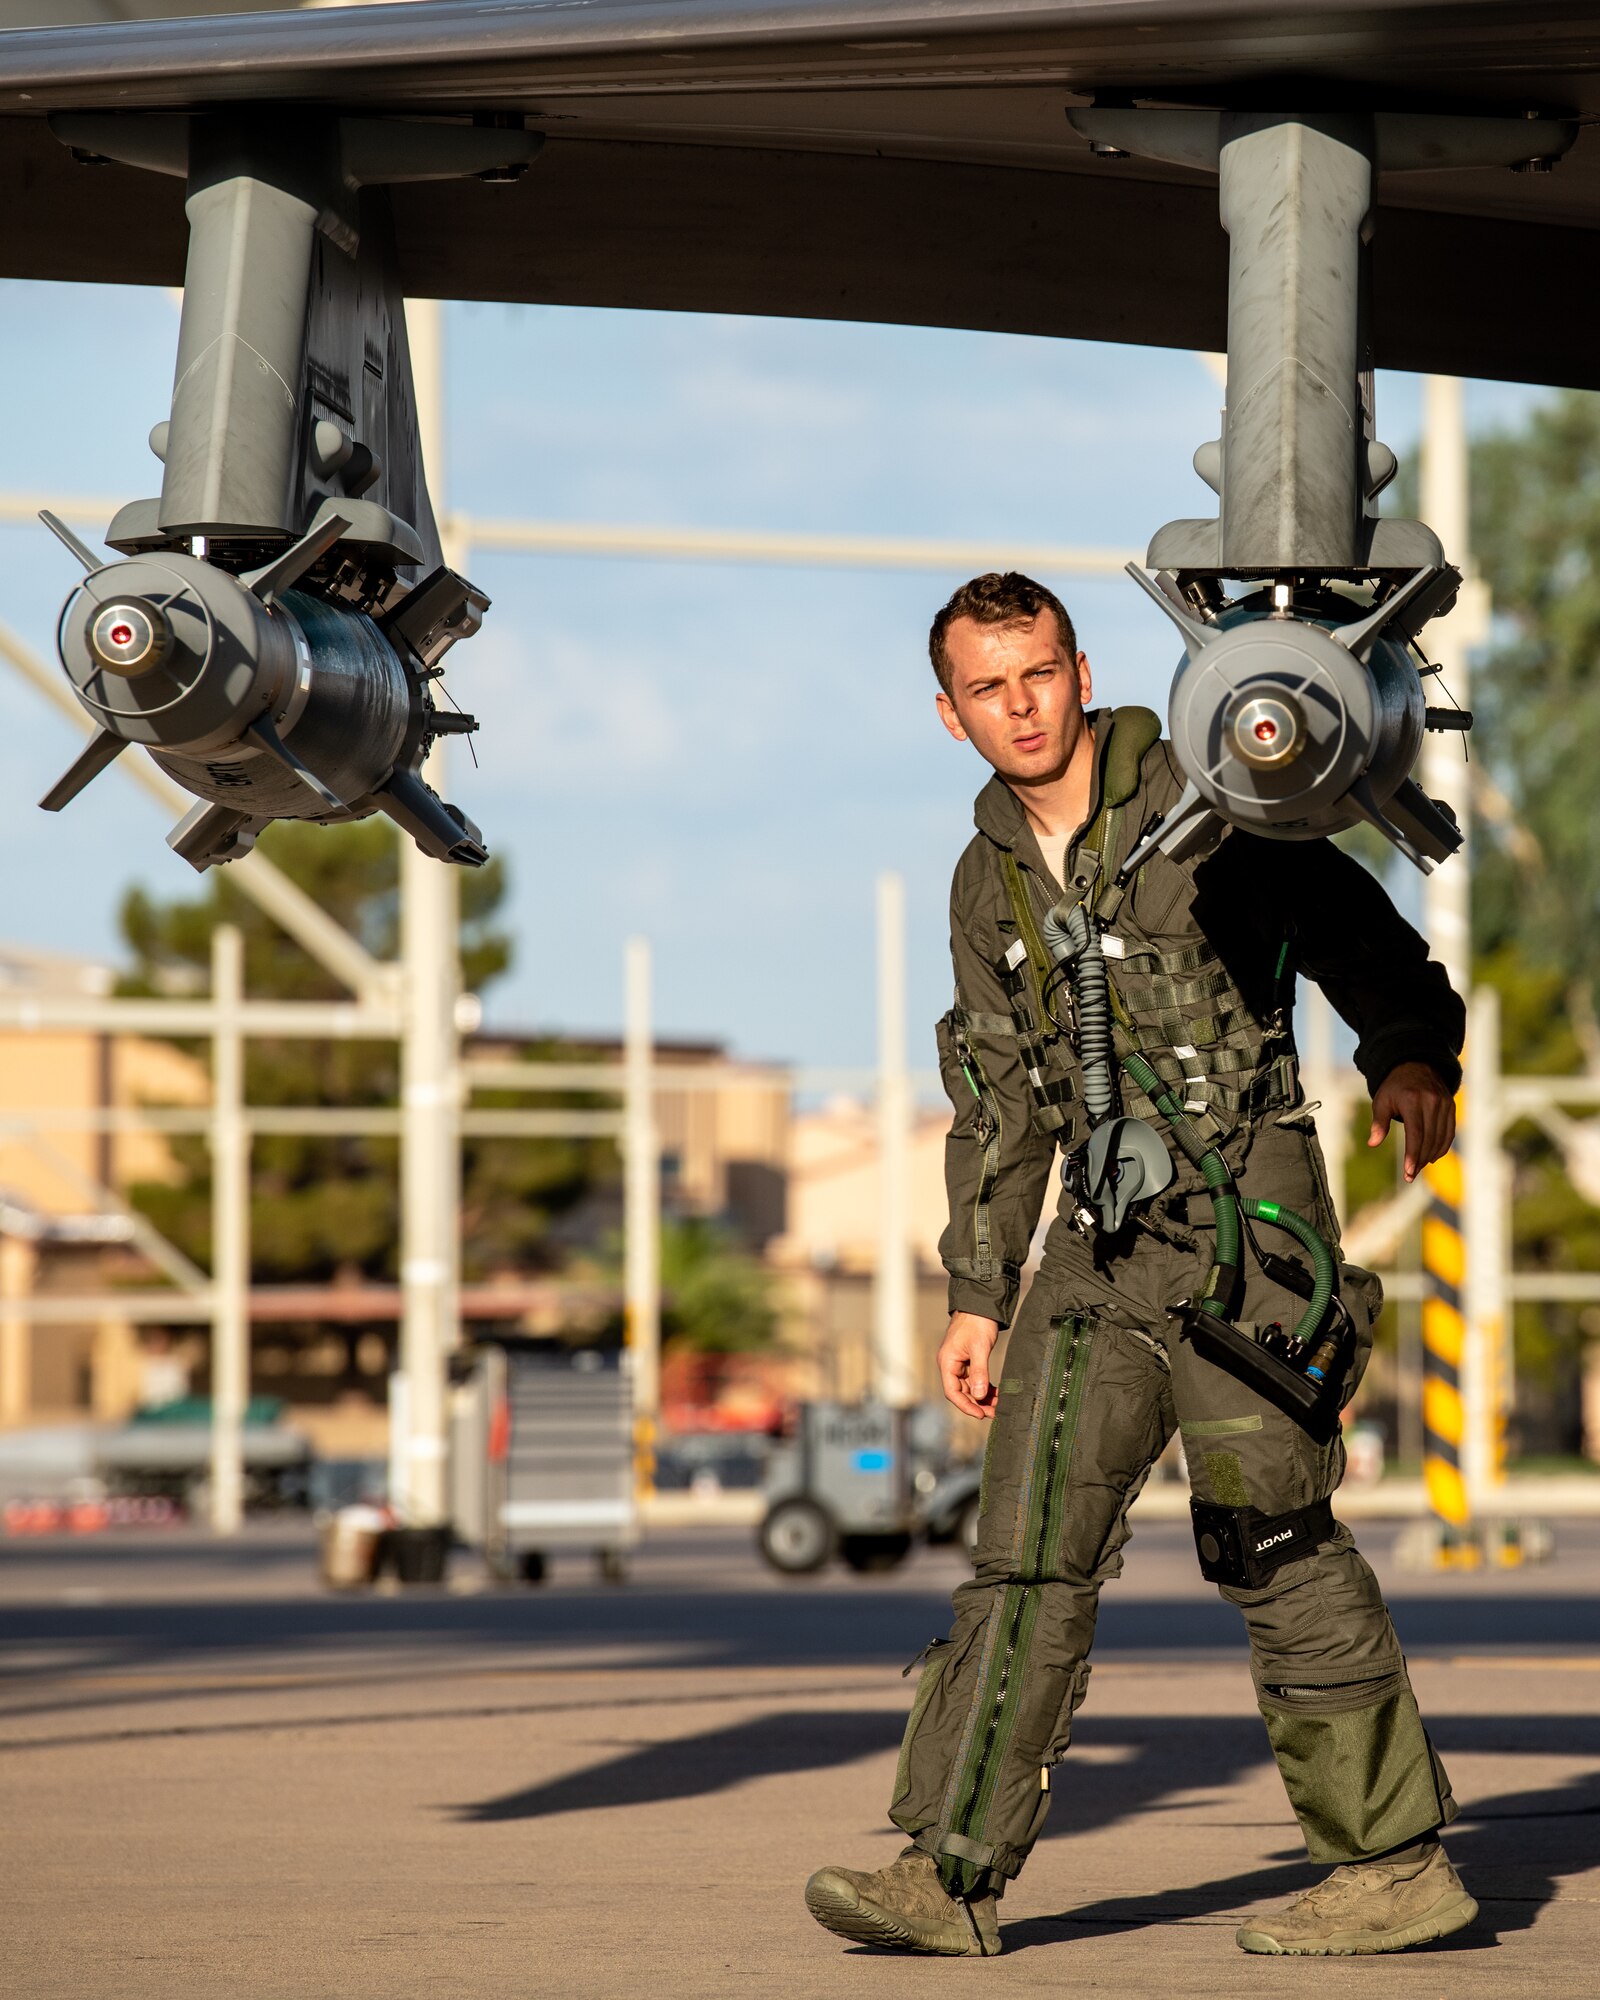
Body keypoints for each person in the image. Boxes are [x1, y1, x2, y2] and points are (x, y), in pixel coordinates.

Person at [805, 572, 1476, 1960]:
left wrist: (1412, 1053)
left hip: (1245, 1225)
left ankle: (1391, 1866)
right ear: (951, 716)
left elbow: (1359, 934)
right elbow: (998, 1102)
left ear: (1080, 665)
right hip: (1094, 1254)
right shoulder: (983, 878)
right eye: (989, 689)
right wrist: (978, 1295)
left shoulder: (1209, 791)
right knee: (1023, 1558)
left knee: (1271, 1535)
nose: (1021, 707)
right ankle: (948, 1873)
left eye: (1040, 673)